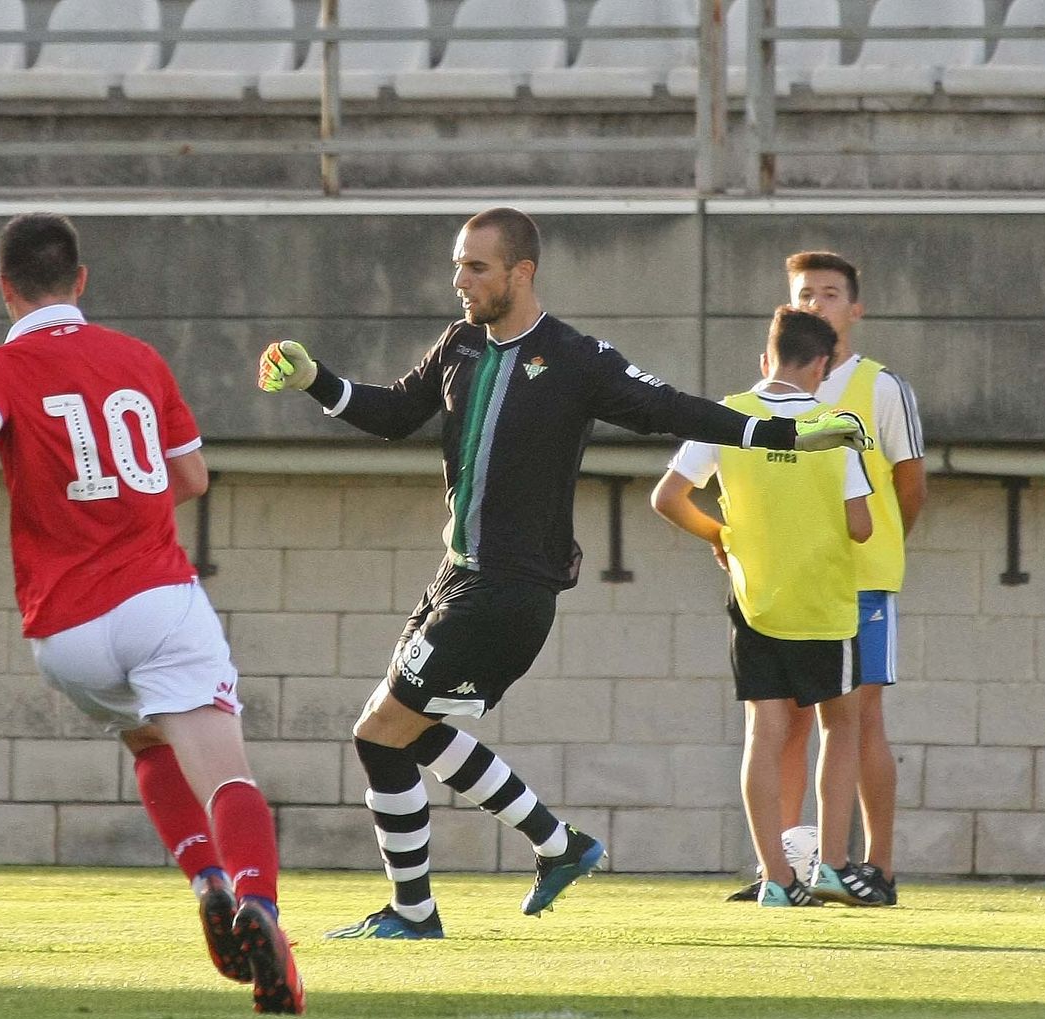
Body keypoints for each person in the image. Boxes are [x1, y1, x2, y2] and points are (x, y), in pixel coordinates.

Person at [255, 207, 868, 938]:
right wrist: (317, 379)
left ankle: (415, 912)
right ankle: (558, 844)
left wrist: (785, 433)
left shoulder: (576, 358)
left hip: (510, 589)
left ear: (521, 273)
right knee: (411, 731)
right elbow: (392, 413)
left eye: (476, 268)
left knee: (377, 733)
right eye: (457, 264)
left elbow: (670, 407)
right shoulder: (459, 346)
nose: (460, 280)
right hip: (458, 577)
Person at [0, 212, 303, 1014]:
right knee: (227, 771)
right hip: (156, 599)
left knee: (145, 736)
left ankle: (202, 878)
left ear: (6, 289)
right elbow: (193, 477)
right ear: (81, 280)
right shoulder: (137, 359)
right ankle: (257, 908)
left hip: (63, 635)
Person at [652, 306, 885, 906]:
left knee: (765, 732)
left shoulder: (728, 415)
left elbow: (668, 498)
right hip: (823, 603)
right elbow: (861, 527)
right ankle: (831, 864)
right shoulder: (836, 425)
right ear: (823, 365)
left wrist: (719, 536)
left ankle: (775, 878)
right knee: (841, 725)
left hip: (756, 600)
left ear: (767, 359)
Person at [726, 251, 927, 906]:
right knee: (784, 722)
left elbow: (910, 485)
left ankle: (878, 867)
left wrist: (876, 549)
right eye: (805, 294)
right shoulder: (769, 396)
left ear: (856, 309)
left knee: (862, 717)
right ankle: (782, 870)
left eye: (830, 293)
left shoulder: (881, 389)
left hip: (859, 581)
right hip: (788, 584)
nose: (817, 304)